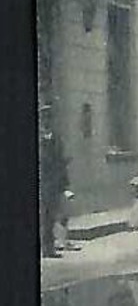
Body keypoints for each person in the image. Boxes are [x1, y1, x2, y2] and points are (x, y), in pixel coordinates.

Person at [38, 104, 69, 259]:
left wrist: (64, 183)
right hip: (42, 180)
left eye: (49, 117)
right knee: (43, 215)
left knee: (50, 215)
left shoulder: (56, 137)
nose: (47, 121)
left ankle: (48, 248)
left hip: (53, 183)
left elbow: (61, 160)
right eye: (44, 117)